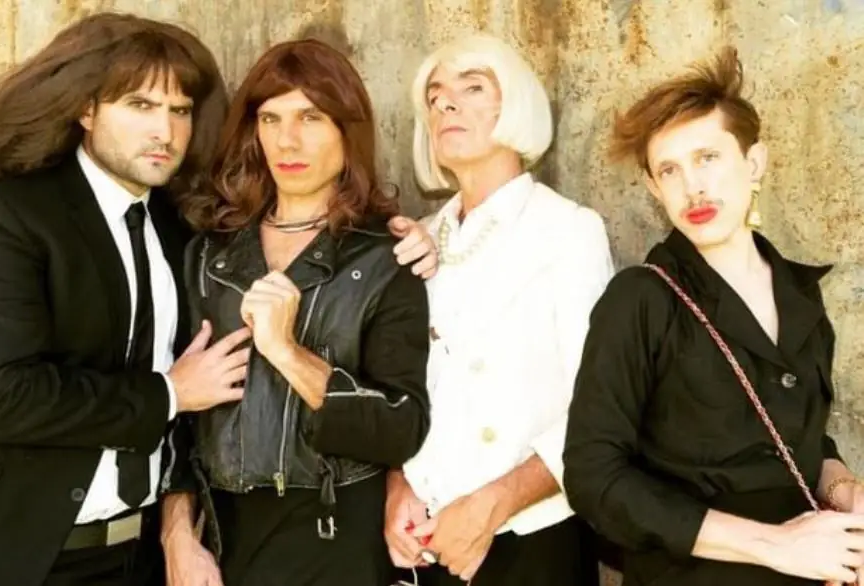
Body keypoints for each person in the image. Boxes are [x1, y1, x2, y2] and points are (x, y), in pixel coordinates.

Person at [0, 13, 436, 586]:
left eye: (180, 111)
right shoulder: (7, 214)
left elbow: (399, 416)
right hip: (32, 552)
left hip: (158, 556)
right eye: (140, 105)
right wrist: (171, 401)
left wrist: (426, 239)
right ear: (86, 110)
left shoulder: (180, 230)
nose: (164, 131)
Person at [563, 46, 864, 586]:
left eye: (707, 158)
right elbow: (594, 478)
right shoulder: (640, 301)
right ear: (654, 188)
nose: (692, 187)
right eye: (670, 170)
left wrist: (847, 494)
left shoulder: (801, 296)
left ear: (754, 164)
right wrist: (775, 544)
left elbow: (803, 444)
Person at [158, 38, 431, 586]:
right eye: (271, 118)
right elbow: (175, 416)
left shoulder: (386, 258)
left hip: (337, 542)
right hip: (222, 541)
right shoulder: (208, 256)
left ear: (346, 130)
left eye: (310, 117)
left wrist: (286, 352)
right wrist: (176, 536)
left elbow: (401, 428)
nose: (287, 140)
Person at [385, 34, 613, 586]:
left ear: (515, 105)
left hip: (531, 541)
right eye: (435, 97)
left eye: (472, 88)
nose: (446, 104)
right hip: (425, 542)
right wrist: (396, 486)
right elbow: (398, 390)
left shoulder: (569, 231)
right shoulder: (419, 237)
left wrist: (493, 505)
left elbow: (598, 409)